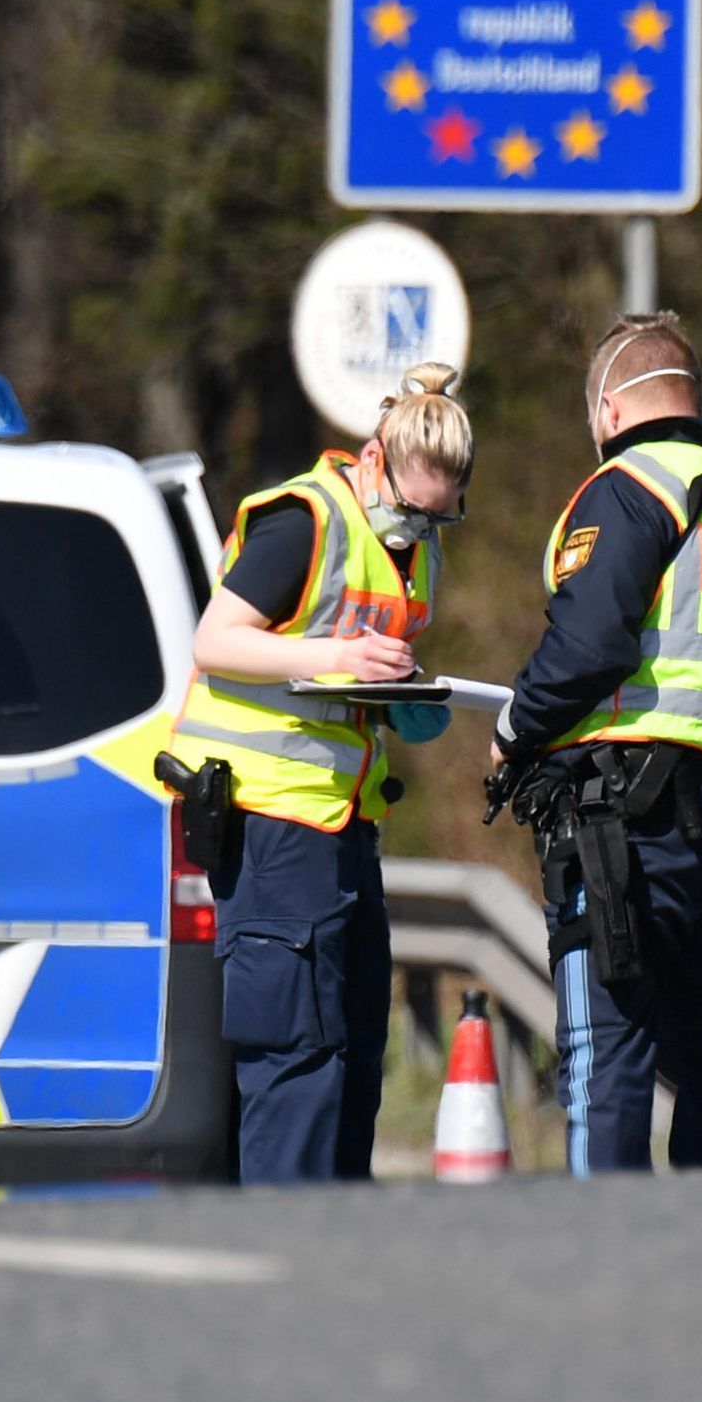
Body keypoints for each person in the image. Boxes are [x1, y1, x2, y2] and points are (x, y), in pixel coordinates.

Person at [488, 315, 702, 1175]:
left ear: (609, 407)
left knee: (608, 1053)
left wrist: (513, 731)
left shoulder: (631, 485)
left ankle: (607, 1265)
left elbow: (589, 646)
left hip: (629, 818)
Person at [169, 365, 473, 1183]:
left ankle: (336, 1249)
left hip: (342, 829)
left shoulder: (413, 552)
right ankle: (287, 1256)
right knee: (296, 1067)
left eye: (440, 515)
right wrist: (333, 657)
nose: (420, 526)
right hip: (272, 829)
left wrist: (406, 696)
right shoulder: (305, 521)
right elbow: (216, 640)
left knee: (349, 1060)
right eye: (412, 508)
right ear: (375, 460)